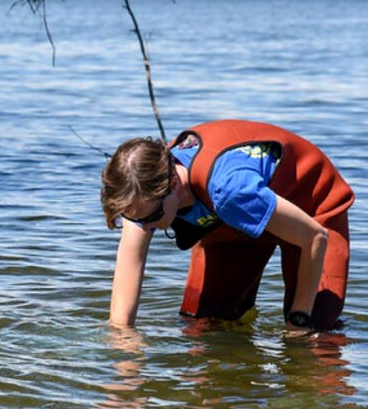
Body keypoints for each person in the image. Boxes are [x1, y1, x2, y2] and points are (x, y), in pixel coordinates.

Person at [100, 119, 354, 331]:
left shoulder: (229, 190)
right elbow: (124, 300)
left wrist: (298, 321)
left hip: (311, 208)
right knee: (203, 327)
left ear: (173, 185)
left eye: (150, 219)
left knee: (316, 336)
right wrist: (125, 355)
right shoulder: (143, 195)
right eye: (135, 219)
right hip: (236, 219)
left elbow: (315, 237)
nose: (144, 228)